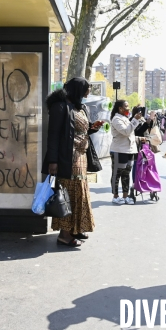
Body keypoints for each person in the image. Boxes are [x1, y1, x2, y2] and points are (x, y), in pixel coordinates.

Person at [43, 77, 104, 246]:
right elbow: (53, 135)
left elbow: (79, 132)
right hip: (66, 159)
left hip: (81, 158)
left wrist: (92, 128)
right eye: (86, 90)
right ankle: (64, 234)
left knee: (79, 193)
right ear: (77, 90)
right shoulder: (60, 106)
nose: (87, 94)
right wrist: (53, 161)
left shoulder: (79, 107)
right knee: (68, 194)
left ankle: (75, 228)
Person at [110, 100, 144, 205]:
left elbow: (130, 135)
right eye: (126, 107)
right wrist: (134, 120)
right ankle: (115, 196)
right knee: (117, 174)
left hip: (129, 151)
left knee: (126, 174)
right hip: (119, 151)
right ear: (120, 108)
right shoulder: (116, 119)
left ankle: (125, 196)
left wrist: (139, 138)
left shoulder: (124, 118)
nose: (128, 109)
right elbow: (125, 131)